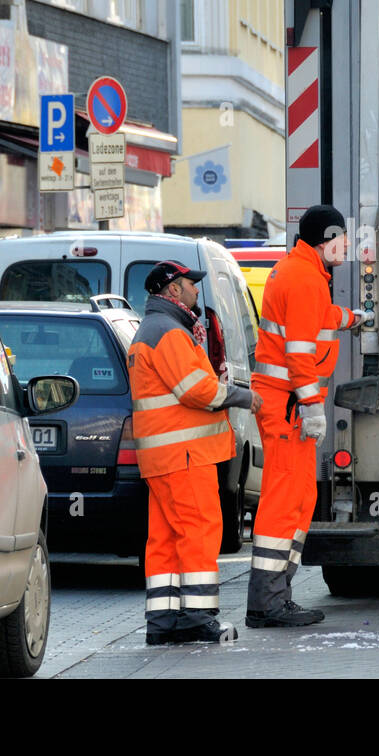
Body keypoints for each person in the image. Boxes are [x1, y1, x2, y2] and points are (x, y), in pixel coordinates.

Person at [245, 205, 373, 628]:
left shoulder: (302, 273)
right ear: (326, 236)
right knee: (285, 501)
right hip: (289, 407)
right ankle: (267, 603)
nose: (348, 245)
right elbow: (299, 353)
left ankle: (275, 597)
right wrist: (312, 408)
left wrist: (355, 318)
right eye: (343, 238)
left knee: (299, 497)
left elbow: (320, 320)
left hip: (286, 405)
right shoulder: (303, 279)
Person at [129, 260, 261, 644]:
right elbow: (196, 391)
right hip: (185, 455)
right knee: (199, 531)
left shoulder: (151, 332)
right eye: (190, 284)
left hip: (164, 458)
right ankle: (198, 617)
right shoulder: (169, 333)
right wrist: (241, 396)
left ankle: (164, 620)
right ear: (172, 290)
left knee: (166, 538)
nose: (196, 290)